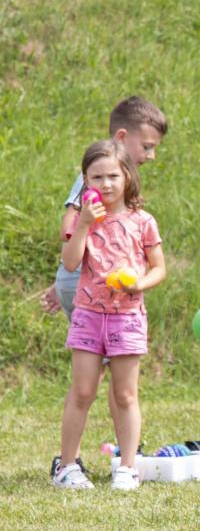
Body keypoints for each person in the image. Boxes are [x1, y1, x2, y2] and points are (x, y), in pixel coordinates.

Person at [41, 96, 168, 478]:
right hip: (89, 316)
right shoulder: (86, 218)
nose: (106, 183)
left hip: (127, 317)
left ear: (127, 176)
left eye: (113, 176)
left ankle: (127, 466)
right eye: (97, 178)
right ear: (86, 183)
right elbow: (70, 262)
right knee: (83, 391)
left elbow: (158, 268)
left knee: (126, 393)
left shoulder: (143, 221)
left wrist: (139, 283)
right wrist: (82, 224)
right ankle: (67, 466)